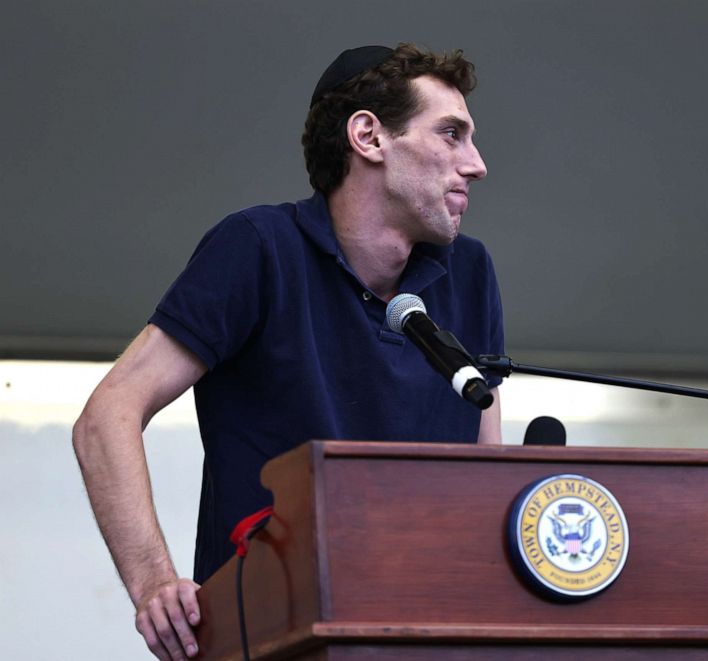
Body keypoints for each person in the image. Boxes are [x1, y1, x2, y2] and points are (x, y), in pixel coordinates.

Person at [72, 43, 503, 661]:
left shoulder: (471, 273)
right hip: (272, 637)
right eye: (452, 134)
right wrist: (154, 584)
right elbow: (105, 417)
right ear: (369, 137)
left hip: (426, 635)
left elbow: (488, 473)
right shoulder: (257, 247)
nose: (477, 164)